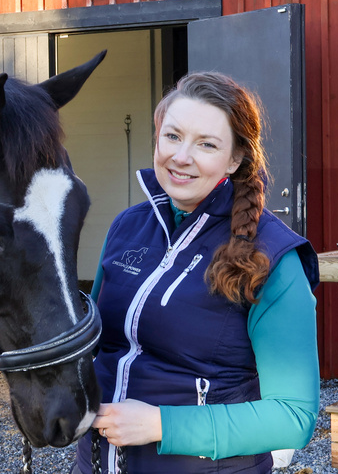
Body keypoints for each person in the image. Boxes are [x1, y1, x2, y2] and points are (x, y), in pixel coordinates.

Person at [72, 72, 320, 473]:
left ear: (235, 158)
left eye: (206, 144)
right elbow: (94, 344)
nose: (181, 156)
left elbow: (293, 416)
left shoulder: (272, 257)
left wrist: (160, 425)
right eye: (172, 136)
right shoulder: (127, 226)